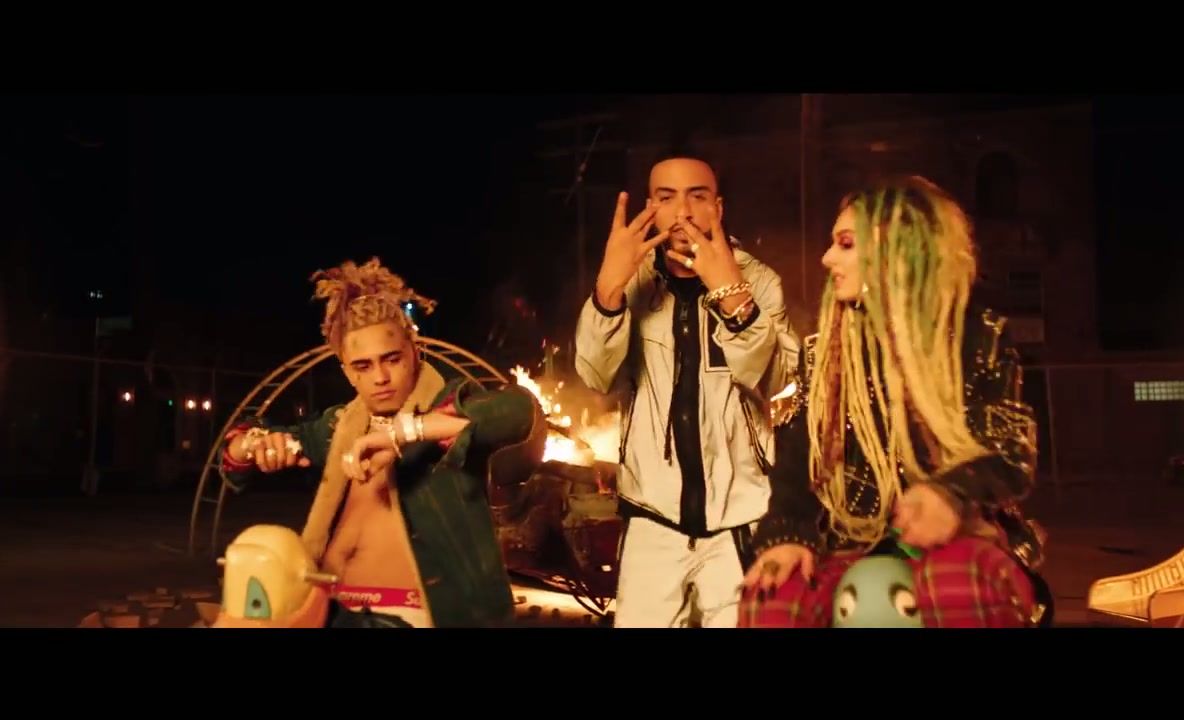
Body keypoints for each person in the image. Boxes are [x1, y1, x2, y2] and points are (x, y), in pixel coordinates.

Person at [739, 175, 1050, 628]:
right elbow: (797, 466)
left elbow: (1010, 451)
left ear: (899, 252)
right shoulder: (825, 351)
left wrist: (951, 494)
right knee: (774, 597)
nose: (827, 258)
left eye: (846, 244)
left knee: (954, 587)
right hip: (846, 544)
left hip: (954, 539)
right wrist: (787, 534)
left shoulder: (977, 337)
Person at [216, 258, 544, 628]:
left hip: (417, 613)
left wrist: (406, 431)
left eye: (391, 360)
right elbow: (236, 458)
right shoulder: (339, 427)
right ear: (347, 372)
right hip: (331, 607)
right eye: (363, 366)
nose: (381, 377)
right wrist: (254, 444)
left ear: (414, 353)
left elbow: (518, 412)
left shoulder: (444, 411)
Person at [575, 155, 800, 628]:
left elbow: (777, 378)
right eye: (667, 198)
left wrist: (734, 299)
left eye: (697, 196)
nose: (683, 213)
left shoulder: (758, 280)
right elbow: (596, 377)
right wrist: (608, 291)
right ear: (650, 208)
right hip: (652, 518)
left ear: (718, 207)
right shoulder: (632, 279)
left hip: (739, 517)